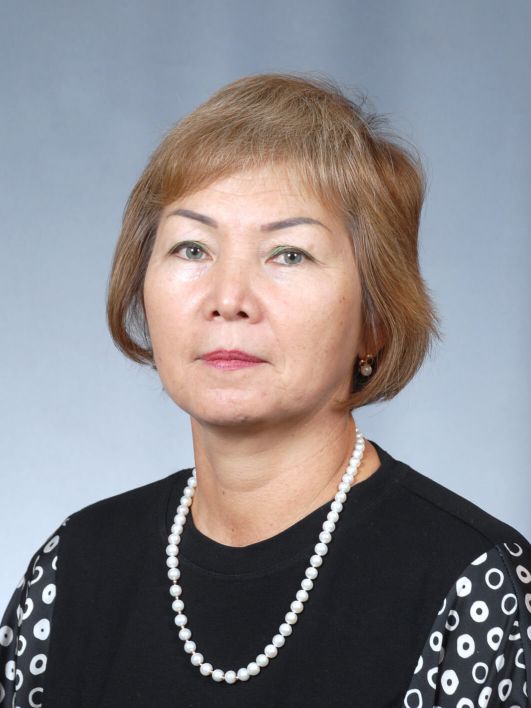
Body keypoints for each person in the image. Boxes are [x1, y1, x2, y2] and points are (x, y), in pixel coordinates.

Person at [1, 73, 530, 708]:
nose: (228, 299)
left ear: (376, 318)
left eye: (288, 254)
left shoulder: (472, 585)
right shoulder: (73, 568)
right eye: (192, 248)